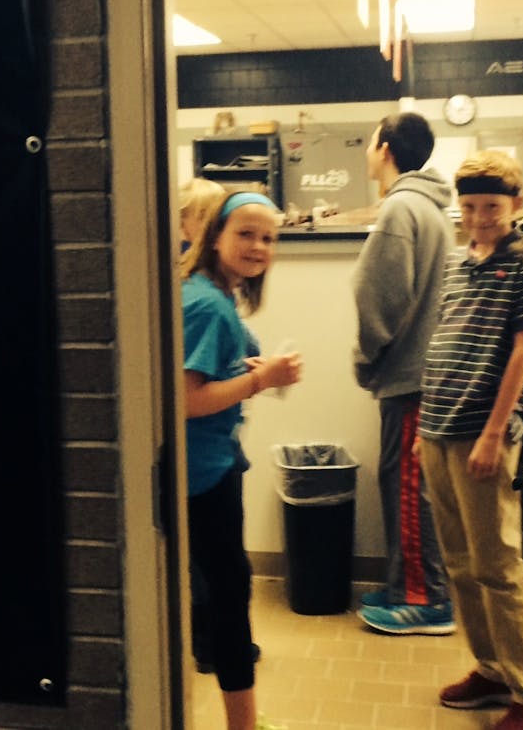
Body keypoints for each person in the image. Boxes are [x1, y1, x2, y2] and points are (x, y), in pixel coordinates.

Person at [417, 150, 523, 730]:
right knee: (458, 560)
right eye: (470, 206)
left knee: (497, 565)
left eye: (492, 208)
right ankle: (491, 668)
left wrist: (494, 432)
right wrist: (423, 425)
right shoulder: (457, 260)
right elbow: (445, 335)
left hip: (484, 432)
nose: (479, 218)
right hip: (438, 424)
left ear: (516, 205)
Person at [180, 190, 303, 730]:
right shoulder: (207, 304)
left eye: (269, 238)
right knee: (231, 597)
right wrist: (261, 378)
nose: (258, 246)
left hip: (208, 465)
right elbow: (185, 401)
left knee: (226, 589)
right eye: (246, 234)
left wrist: (249, 372)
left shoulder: (211, 293)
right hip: (203, 473)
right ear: (215, 236)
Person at [349, 112, 455, 635]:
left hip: (411, 375)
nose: (368, 151)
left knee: (409, 487)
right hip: (422, 372)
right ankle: (403, 584)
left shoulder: (401, 209)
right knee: (404, 482)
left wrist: (366, 359)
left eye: (371, 141)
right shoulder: (429, 207)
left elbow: (379, 298)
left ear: (385, 147)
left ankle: (425, 599)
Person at [179, 177, 228, 253]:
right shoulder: (176, 256)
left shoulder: (225, 252)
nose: (214, 221)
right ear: (182, 224)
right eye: (204, 216)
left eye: (219, 214)